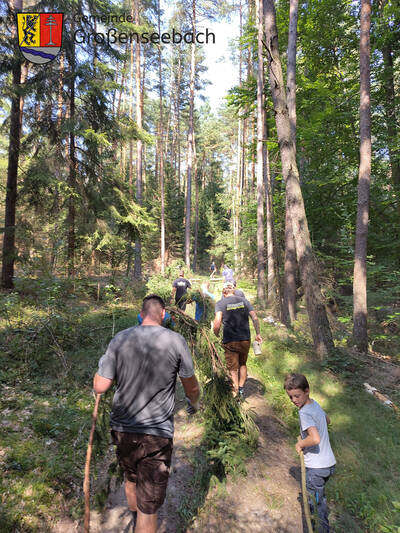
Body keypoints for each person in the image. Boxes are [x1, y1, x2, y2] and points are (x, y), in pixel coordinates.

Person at [93, 294, 200, 533]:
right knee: (148, 509)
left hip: (122, 429)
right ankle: (140, 520)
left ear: (141, 314)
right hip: (156, 435)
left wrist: (102, 366)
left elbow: (100, 386)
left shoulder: (120, 339)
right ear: (163, 314)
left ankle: (134, 519)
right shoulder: (176, 340)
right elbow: (190, 385)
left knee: (131, 478)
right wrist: (195, 402)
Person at [284, 373, 336, 533]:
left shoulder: (304, 412)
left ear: (307, 390)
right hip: (329, 465)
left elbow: (315, 438)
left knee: (314, 506)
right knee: (320, 501)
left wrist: (301, 443)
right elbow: (327, 420)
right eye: (291, 397)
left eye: (297, 396)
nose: (294, 400)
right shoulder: (315, 404)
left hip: (316, 469)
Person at [213, 282, 262, 399]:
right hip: (245, 339)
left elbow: (217, 322)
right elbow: (254, 317)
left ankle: (235, 390)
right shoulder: (244, 301)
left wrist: (215, 334)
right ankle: (241, 389)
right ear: (233, 291)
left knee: (233, 368)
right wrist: (258, 333)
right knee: (242, 364)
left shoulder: (220, 303)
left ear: (223, 292)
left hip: (230, 340)